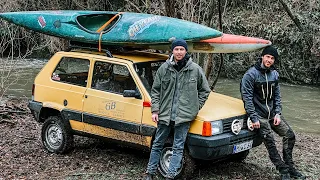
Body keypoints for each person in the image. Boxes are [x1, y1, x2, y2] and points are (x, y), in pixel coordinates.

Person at [145, 39, 211, 180]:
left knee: (178, 147)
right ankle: (150, 173)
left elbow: (205, 90)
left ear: (186, 51)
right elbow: (155, 91)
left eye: (182, 49)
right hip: (164, 114)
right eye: (176, 49)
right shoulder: (164, 68)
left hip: (184, 116)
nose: (179, 52)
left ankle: (171, 175)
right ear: (172, 51)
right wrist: (155, 110)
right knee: (157, 144)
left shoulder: (195, 69)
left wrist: (195, 107)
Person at [240, 46, 306, 180]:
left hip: (272, 114)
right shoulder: (250, 75)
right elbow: (246, 98)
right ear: (262, 57)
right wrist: (254, 118)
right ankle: (283, 170)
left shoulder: (274, 74)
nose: (269, 60)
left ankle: (290, 167)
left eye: (272, 58)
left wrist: (277, 113)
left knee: (290, 135)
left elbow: (277, 95)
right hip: (258, 115)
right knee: (270, 141)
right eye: (267, 57)